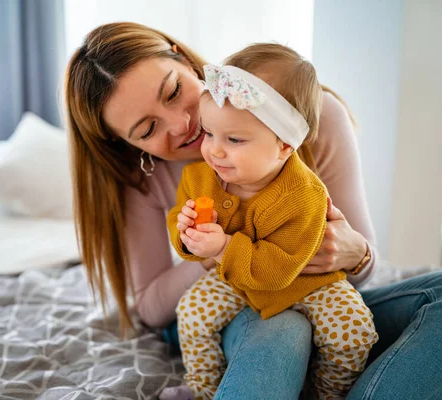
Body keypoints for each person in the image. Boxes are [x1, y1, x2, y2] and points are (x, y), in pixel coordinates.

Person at [64, 21, 442, 399]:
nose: (184, 124)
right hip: (238, 308)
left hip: (310, 291)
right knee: (284, 329)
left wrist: (355, 254)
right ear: (126, 143)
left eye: (175, 91)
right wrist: (210, 248)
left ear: (183, 59)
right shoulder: (144, 178)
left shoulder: (313, 118)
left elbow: (362, 277)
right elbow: (151, 308)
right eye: (148, 130)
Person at [161, 46, 377, 400]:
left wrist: (225, 247)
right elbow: (180, 229)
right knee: (192, 313)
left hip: (304, 282)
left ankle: (328, 392)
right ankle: (202, 390)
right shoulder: (199, 178)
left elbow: (279, 269)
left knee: (354, 331)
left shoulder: (305, 196)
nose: (214, 151)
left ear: (284, 146)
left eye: (234, 140)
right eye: (209, 133)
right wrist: (186, 235)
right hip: (235, 280)